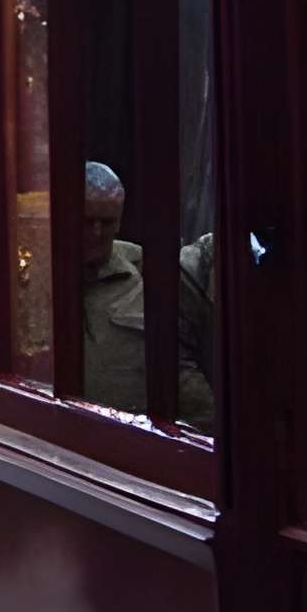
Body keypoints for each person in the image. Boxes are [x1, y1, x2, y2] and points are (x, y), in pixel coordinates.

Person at [78, 161, 216, 424]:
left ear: (120, 221)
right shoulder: (32, 275)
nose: (96, 233)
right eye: (86, 221)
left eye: (106, 222)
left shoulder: (150, 272)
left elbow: (182, 370)